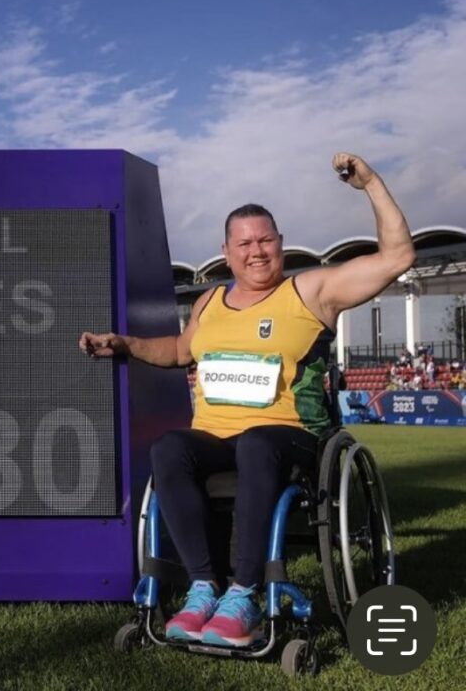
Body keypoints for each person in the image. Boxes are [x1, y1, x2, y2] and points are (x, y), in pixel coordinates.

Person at [79, 152, 414, 648]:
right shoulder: (209, 302)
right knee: (170, 448)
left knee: (257, 443)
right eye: (244, 243)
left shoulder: (311, 291)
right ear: (227, 250)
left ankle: (244, 594)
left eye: (265, 240)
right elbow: (178, 351)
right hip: (219, 438)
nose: (256, 251)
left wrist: (370, 184)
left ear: (280, 243)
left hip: (292, 439)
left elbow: (398, 257)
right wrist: (126, 344)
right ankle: (202, 587)